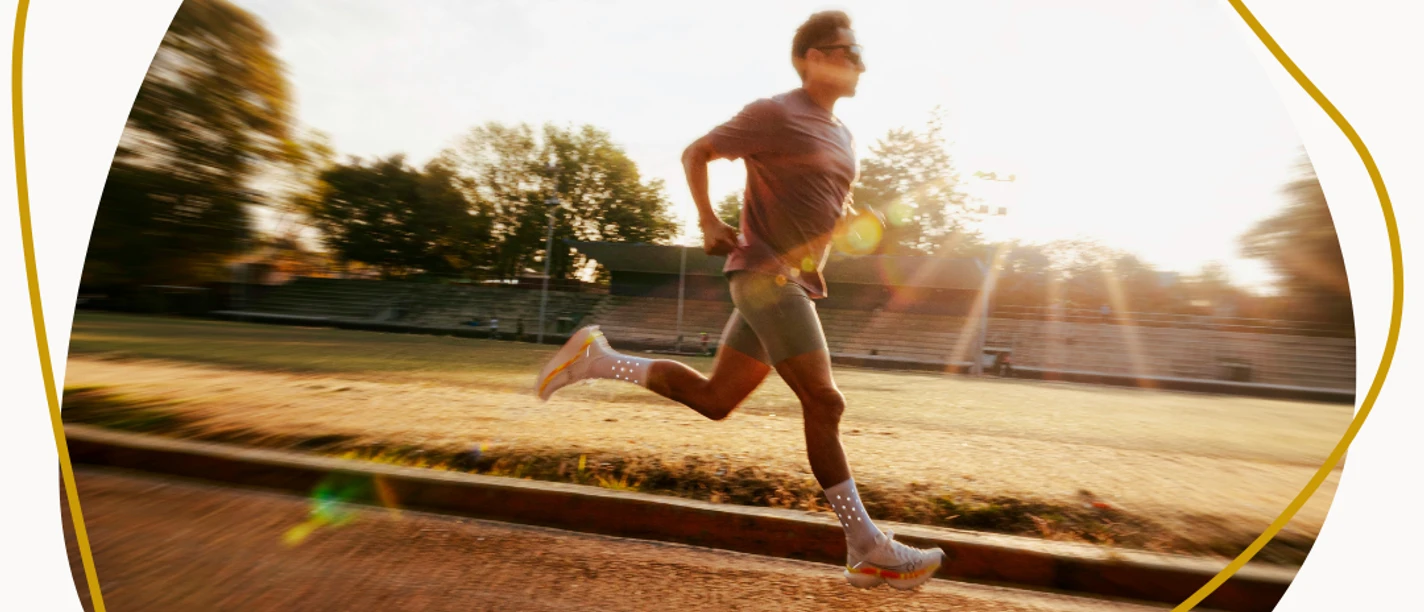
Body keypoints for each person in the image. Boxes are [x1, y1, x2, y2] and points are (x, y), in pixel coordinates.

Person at [534, 10, 944, 590]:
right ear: (814, 58)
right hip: (765, 277)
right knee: (824, 402)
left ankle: (597, 359)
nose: (860, 62)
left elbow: (819, 210)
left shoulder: (842, 134)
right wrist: (708, 218)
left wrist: (854, 224)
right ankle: (866, 544)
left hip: (794, 280)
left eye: (860, 53)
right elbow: (695, 153)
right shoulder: (774, 113)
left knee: (716, 398)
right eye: (848, 52)